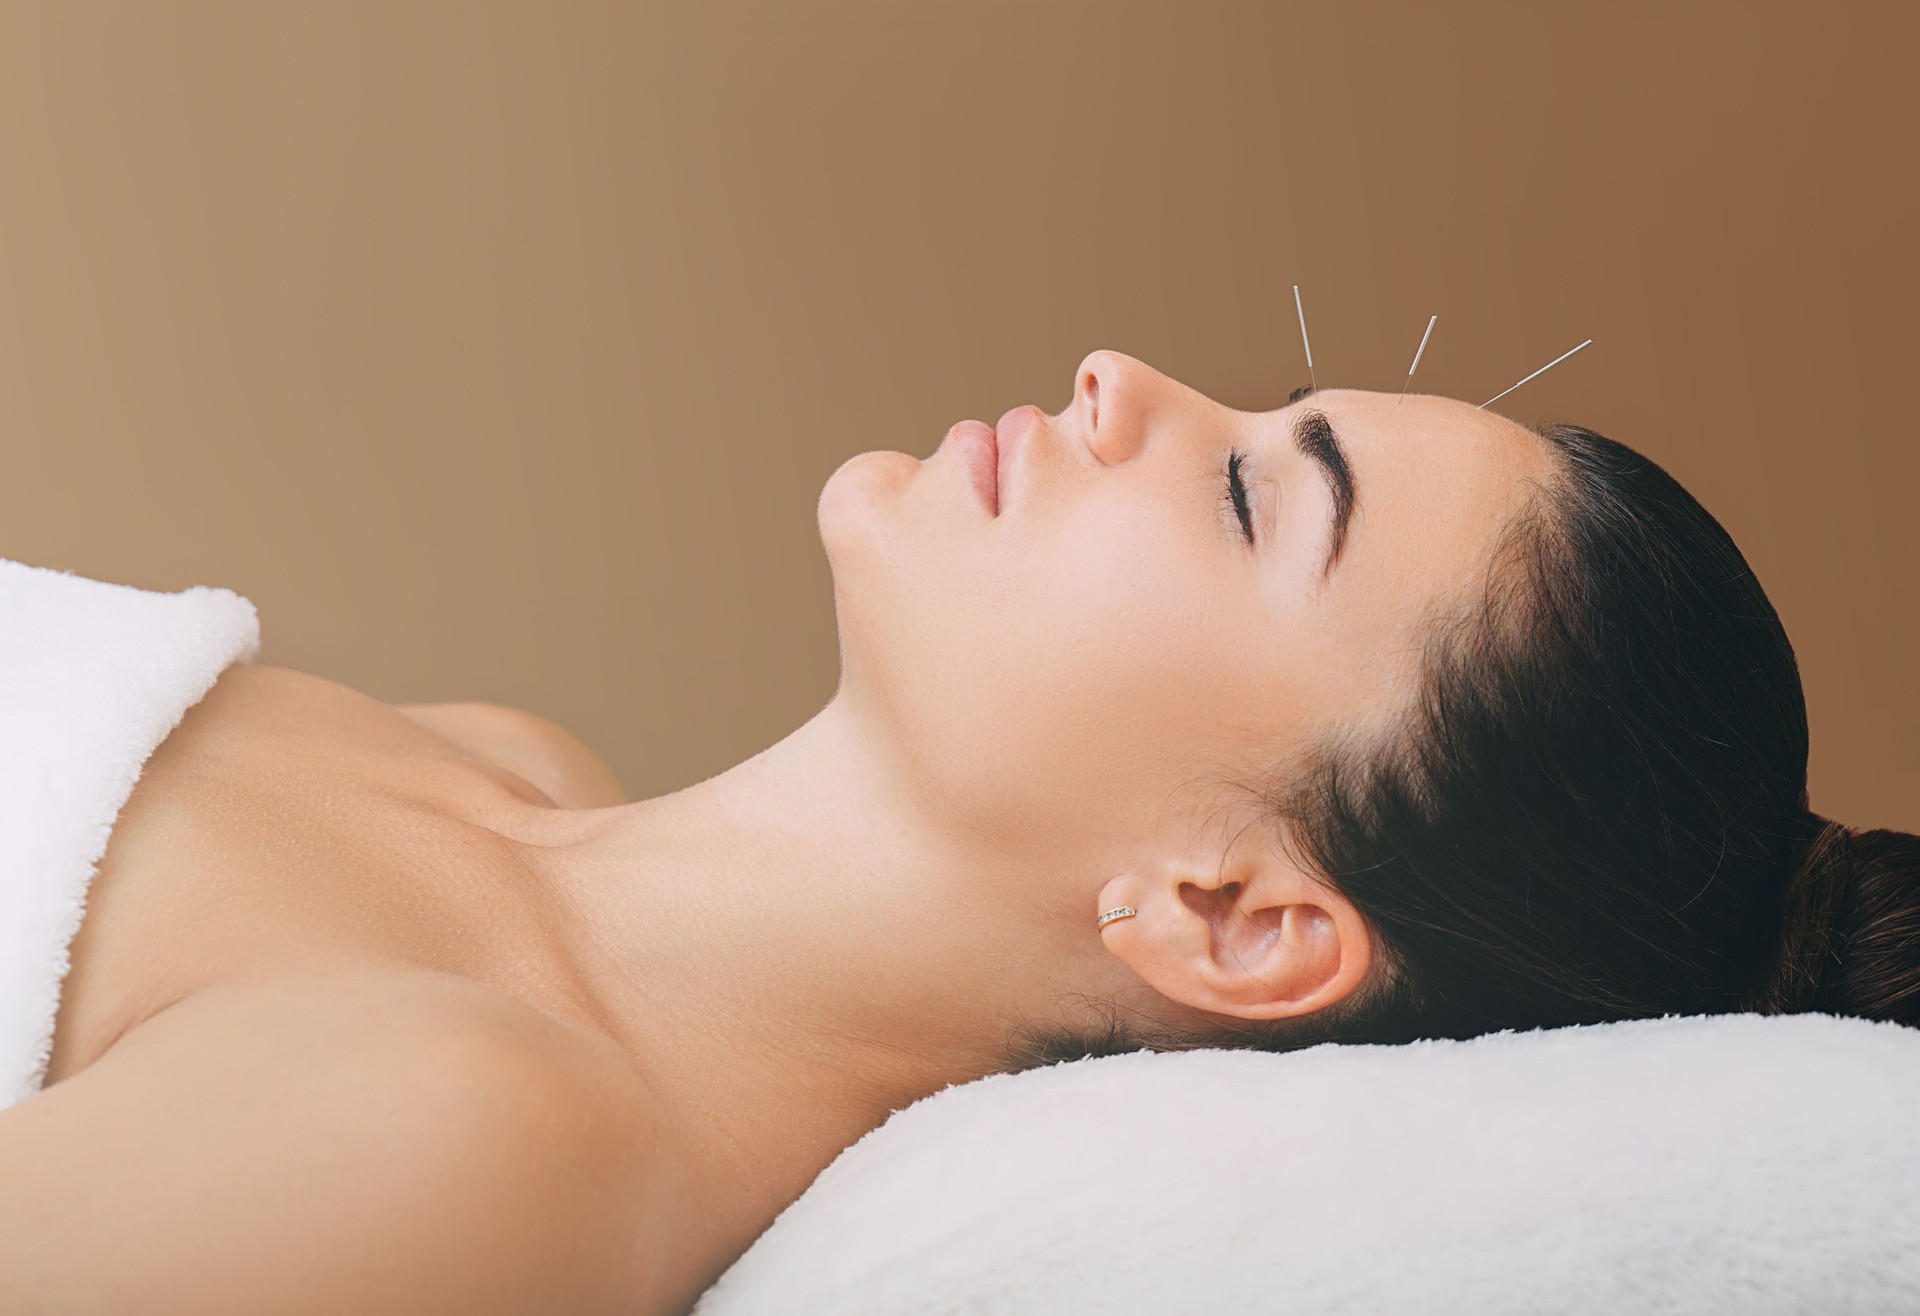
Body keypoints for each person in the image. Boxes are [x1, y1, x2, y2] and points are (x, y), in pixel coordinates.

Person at [3, 350, 1914, 1315]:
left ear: (1232, 914)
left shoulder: (478, 1125)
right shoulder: (509, 769)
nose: (1120, 382)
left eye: (1255, 499)